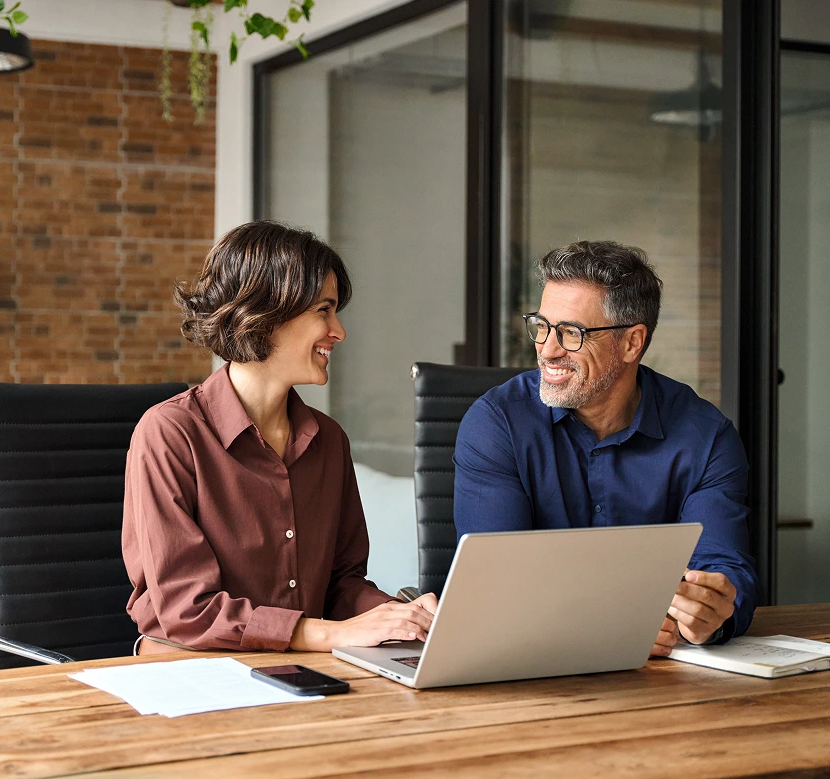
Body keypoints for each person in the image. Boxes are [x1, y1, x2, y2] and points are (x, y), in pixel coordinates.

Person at [122, 221, 438, 654]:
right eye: (323, 311)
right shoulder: (170, 434)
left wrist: (403, 618)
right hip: (192, 669)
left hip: (302, 666)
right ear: (268, 315)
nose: (338, 331)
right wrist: (330, 634)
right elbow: (188, 609)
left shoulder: (328, 441)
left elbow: (341, 585)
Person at [453, 240, 757, 655]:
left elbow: (725, 570)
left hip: (663, 676)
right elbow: (492, 582)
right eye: (541, 326)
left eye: (571, 333)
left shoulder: (707, 437)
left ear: (633, 342)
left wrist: (709, 617)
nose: (547, 349)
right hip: (525, 669)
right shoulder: (497, 423)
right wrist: (609, 624)